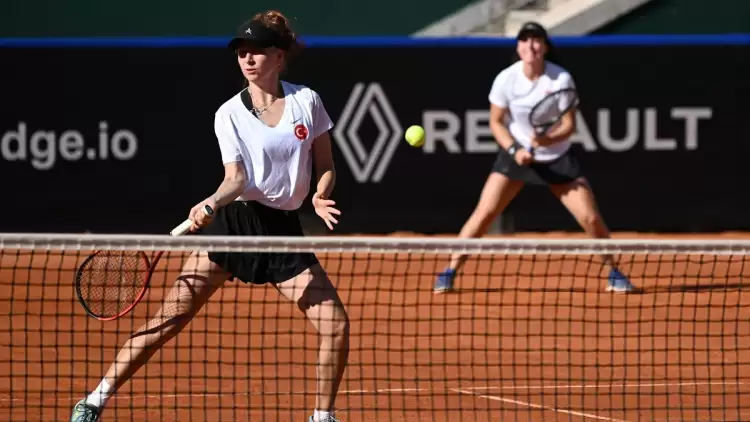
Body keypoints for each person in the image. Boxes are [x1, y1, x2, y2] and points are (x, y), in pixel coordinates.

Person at [70, 11, 350, 422]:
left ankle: (322, 417)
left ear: (278, 56)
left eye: (257, 51)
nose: (247, 59)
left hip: (283, 234)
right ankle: (95, 399)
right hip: (234, 226)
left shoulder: (307, 101)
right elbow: (235, 179)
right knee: (169, 319)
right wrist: (212, 203)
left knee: (336, 325)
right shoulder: (228, 114)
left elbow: (325, 165)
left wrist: (320, 195)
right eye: (241, 52)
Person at [433, 21, 635, 294]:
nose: (531, 45)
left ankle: (614, 271)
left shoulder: (561, 79)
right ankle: (450, 270)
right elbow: (496, 122)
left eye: (537, 40)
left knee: (589, 217)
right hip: (515, 154)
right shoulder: (506, 79)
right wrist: (515, 150)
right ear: (518, 47)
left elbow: (569, 126)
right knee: (485, 213)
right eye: (525, 40)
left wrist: (548, 140)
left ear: (545, 47)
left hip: (556, 158)